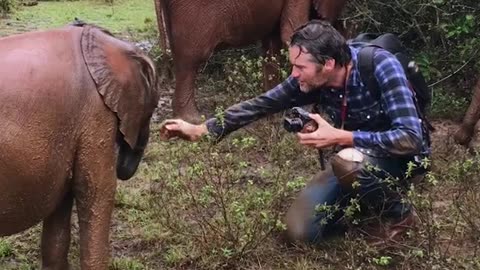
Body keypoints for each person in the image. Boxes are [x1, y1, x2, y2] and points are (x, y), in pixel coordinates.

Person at [159, 19, 430, 245]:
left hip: (398, 159)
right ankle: (362, 203)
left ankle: (400, 214)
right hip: (353, 160)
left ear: (328, 64)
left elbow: (410, 138)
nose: (294, 74)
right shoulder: (311, 78)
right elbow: (262, 103)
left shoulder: (380, 66)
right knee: (299, 233)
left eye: (300, 67)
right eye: (293, 65)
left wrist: (341, 136)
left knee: (347, 161)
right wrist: (203, 129)